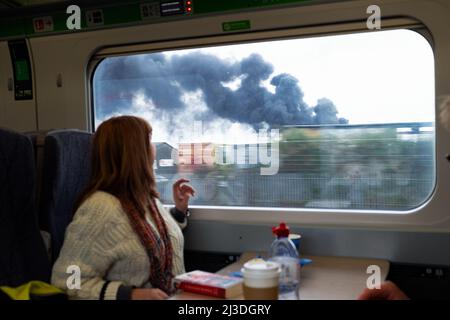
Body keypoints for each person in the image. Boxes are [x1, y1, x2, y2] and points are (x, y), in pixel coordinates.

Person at [51, 116, 195, 300]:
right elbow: (67, 281)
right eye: (149, 140)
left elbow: (154, 236)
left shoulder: (145, 199)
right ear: (135, 152)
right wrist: (129, 294)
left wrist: (179, 211)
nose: (154, 148)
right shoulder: (100, 208)